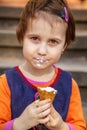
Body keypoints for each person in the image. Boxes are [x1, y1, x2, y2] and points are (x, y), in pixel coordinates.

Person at [0, 0, 86, 130]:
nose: (42, 51)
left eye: (53, 41)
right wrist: (19, 124)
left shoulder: (69, 85)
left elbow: (80, 126)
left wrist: (61, 127)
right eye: (35, 38)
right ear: (22, 37)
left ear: (64, 46)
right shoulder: (6, 83)